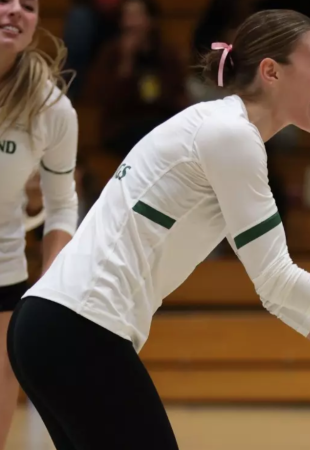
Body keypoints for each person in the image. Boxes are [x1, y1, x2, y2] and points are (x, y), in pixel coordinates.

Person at [10, 10, 310, 450]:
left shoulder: (221, 131)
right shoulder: (231, 136)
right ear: (271, 72)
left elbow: (277, 294)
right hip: (78, 327)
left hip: (51, 326)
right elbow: (281, 279)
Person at [0, 0, 80, 449]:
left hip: (4, 278)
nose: (15, 11)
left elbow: (62, 204)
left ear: (35, 26)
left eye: (27, 6)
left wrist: (49, 283)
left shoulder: (52, 109)